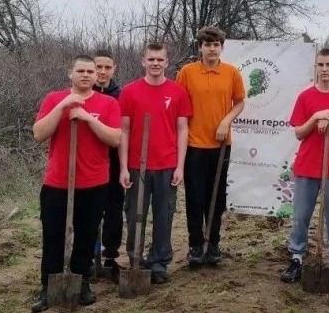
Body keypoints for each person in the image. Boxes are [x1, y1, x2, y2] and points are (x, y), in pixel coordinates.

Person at [31, 55, 122, 313]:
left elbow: (115, 139)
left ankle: (81, 281)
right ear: (70, 73)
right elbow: (39, 134)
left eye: (90, 71)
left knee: (86, 235)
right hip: (57, 182)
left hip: (93, 182)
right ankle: (49, 285)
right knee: (53, 235)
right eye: (80, 71)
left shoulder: (108, 103)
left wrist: (88, 118)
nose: (86, 75)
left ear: (96, 75)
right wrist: (63, 106)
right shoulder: (54, 99)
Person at [280, 48, 329, 289]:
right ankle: (296, 258)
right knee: (301, 217)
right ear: (316, 67)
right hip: (307, 167)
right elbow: (299, 132)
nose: (324, 69)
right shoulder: (305, 97)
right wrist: (315, 118)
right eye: (321, 64)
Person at [118, 42, 192, 284]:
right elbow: (124, 130)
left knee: (164, 215)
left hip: (167, 165)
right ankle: (135, 259)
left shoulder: (178, 92)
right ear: (143, 61)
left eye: (160, 59)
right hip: (136, 166)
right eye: (151, 59)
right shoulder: (129, 92)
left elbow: (182, 129)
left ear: (167, 62)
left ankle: (159, 262)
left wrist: (180, 166)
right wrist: (123, 167)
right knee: (135, 214)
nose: (155, 63)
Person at [177, 26, 245, 266]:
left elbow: (239, 102)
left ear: (221, 48)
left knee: (216, 198)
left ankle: (213, 243)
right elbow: (179, 105)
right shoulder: (187, 72)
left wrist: (226, 121)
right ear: (200, 47)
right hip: (194, 143)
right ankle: (196, 245)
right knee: (195, 197)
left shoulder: (231, 72)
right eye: (207, 45)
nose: (212, 49)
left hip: (221, 144)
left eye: (216, 45)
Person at [90, 49, 124, 280]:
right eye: (98, 67)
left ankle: (110, 255)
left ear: (114, 69)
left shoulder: (121, 95)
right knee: (91, 209)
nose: (102, 72)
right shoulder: (83, 93)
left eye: (107, 67)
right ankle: (89, 255)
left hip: (115, 160)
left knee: (114, 208)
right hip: (90, 161)